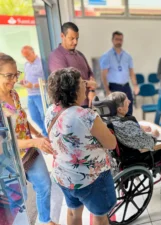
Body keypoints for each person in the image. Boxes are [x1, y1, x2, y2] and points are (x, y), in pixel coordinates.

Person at [45, 67, 117, 225]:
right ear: (74, 90)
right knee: (100, 216)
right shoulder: (87, 116)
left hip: (64, 176)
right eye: (82, 83)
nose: (85, 86)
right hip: (92, 178)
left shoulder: (51, 111)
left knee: (73, 213)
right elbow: (111, 144)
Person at [0, 53, 58, 225]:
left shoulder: (14, 94)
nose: (14, 80)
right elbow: (5, 143)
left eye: (15, 74)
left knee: (44, 185)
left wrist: (38, 134)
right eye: (8, 75)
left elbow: (22, 116)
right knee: (19, 199)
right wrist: (35, 141)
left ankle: (45, 220)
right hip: (8, 160)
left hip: (27, 150)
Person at [106, 91, 161, 177]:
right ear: (119, 109)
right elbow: (149, 142)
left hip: (121, 155)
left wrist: (138, 126)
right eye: (126, 101)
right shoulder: (127, 124)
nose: (130, 102)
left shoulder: (111, 120)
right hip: (133, 157)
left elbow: (128, 130)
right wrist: (154, 135)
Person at [48, 22, 97, 108]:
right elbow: (66, 82)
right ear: (62, 36)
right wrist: (90, 83)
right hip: (71, 107)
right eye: (72, 38)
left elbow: (90, 74)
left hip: (88, 103)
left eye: (77, 38)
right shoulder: (56, 56)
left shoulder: (80, 54)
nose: (75, 42)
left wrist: (92, 90)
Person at [100, 31, 140, 116]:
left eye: (120, 39)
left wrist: (135, 85)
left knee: (128, 111)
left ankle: (129, 128)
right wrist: (107, 90)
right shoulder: (107, 56)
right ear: (112, 40)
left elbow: (131, 72)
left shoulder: (127, 56)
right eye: (117, 39)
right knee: (116, 112)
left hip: (126, 87)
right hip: (114, 87)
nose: (119, 41)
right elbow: (104, 75)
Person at [20, 45, 47, 136]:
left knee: (44, 116)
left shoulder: (41, 63)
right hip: (30, 95)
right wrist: (24, 81)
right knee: (34, 117)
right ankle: (45, 131)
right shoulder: (26, 64)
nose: (26, 58)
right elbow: (26, 76)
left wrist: (33, 85)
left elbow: (46, 80)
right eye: (24, 56)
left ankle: (48, 133)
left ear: (33, 52)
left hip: (40, 95)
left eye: (28, 55)